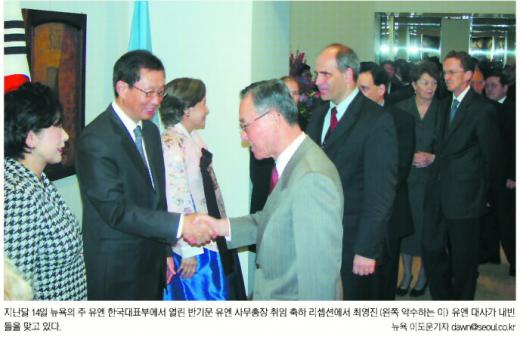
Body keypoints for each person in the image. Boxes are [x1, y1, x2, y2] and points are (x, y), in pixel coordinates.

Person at [75, 50, 214, 300]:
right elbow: (116, 210)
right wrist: (181, 224)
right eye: (149, 93)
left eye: (160, 93)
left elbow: (156, 197)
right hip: (117, 268)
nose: (157, 101)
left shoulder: (150, 132)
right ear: (122, 87)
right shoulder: (96, 139)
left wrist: (166, 251)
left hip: (152, 261)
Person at [202, 79, 344, 300]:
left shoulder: (311, 179)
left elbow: (319, 282)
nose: (243, 136)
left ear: (274, 118)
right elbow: (273, 222)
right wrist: (220, 227)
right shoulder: (292, 163)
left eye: (245, 125)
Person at [306, 43, 398, 300]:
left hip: (353, 240)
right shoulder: (319, 114)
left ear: (348, 75)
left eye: (325, 74)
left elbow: (381, 192)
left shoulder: (377, 121)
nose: (317, 81)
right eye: (317, 74)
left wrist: (367, 249)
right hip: (319, 235)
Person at [159, 77, 246, 300]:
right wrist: (187, 249)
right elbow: (175, 199)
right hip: (194, 247)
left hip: (209, 235)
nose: (207, 110)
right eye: (203, 103)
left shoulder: (193, 138)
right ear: (187, 109)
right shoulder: (172, 144)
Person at [422, 51, 499, 300]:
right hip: (438, 191)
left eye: (452, 72)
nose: (446, 77)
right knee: (431, 249)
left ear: (468, 75)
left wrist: (483, 196)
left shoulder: (483, 109)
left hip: (466, 197)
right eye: (444, 72)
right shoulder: (444, 105)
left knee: (464, 261)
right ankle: (443, 300)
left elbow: (491, 157)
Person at [4, 82, 87, 300]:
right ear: (31, 137)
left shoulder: (37, 180)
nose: (66, 136)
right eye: (58, 126)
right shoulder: (18, 194)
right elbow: (15, 292)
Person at [357, 62, 415, 299]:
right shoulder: (349, 118)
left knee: (383, 283)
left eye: (363, 89)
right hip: (355, 215)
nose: (357, 95)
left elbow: (397, 172)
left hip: (388, 214)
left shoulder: (400, 120)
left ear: (381, 89)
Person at [395, 61, 441, 297]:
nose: (430, 87)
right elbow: (392, 143)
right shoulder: (401, 108)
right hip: (407, 178)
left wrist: (433, 157)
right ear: (414, 84)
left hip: (432, 179)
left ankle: (423, 275)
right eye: (425, 82)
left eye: (434, 82)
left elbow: (451, 147)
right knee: (406, 228)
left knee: (426, 229)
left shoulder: (443, 110)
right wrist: (407, 155)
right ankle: (406, 274)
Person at [484, 71, 516, 276]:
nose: (489, 89)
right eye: (487, 85)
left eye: (494, 85)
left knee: (508, 221)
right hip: (489, 175)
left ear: (505, 88)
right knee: (489, 218)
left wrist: (514, 175)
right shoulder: (485, 108)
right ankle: (491, 253)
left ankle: (514, 259)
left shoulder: (513, 109)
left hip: (506, 176)